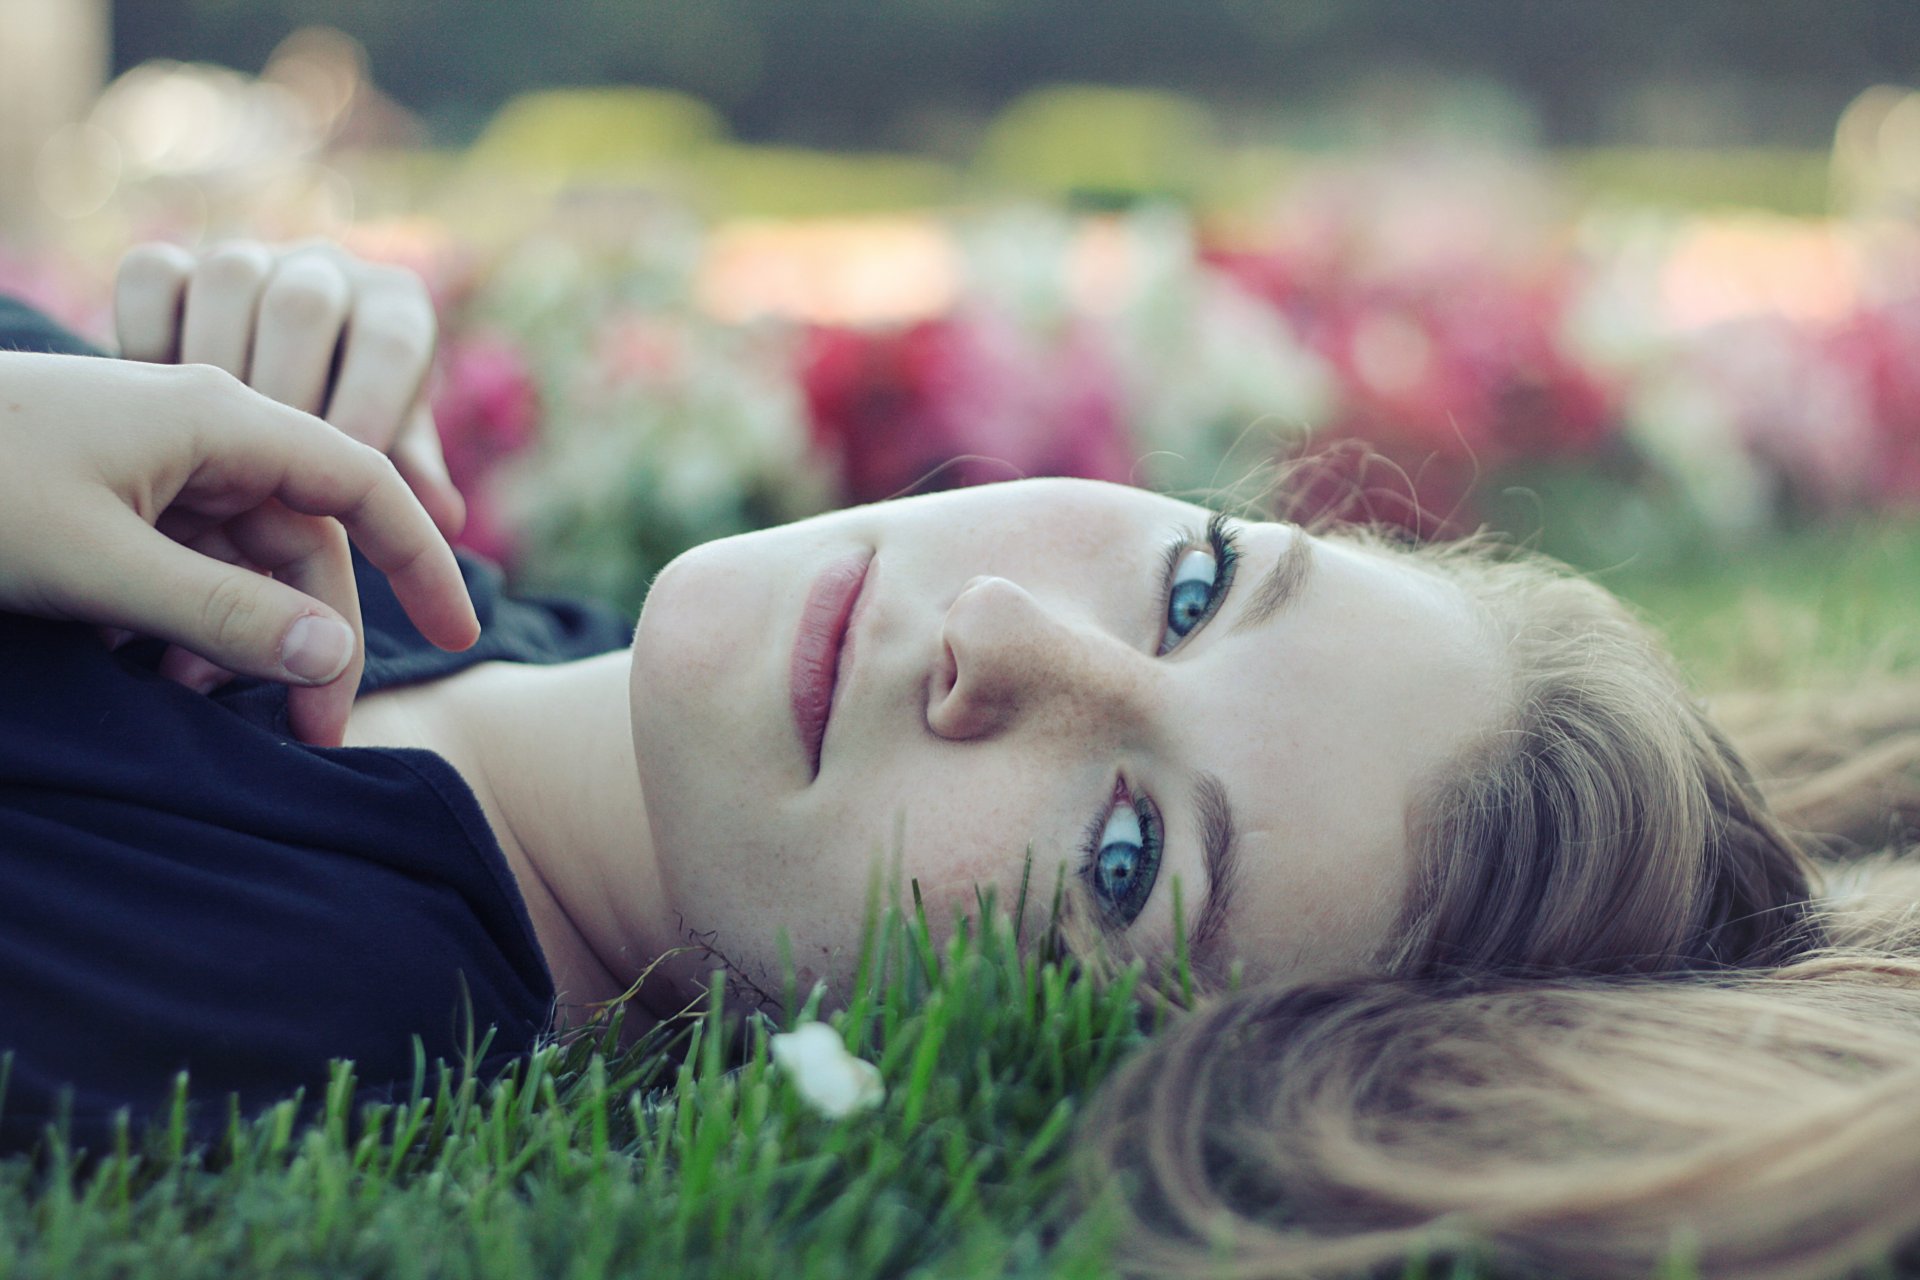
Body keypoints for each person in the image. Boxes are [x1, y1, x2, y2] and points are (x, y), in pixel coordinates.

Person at [5, 239, 1917, 1270]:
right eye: (1190, 587)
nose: (1010, 639)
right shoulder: (453, 601)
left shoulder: (272, 988)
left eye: (1118, 860)